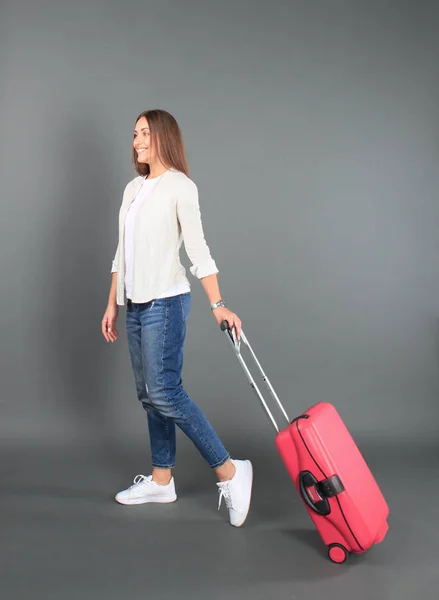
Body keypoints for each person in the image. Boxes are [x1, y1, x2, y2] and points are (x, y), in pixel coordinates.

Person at [101, 109, 253, 527]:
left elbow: (198, 250)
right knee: (148, 395)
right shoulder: (133, 188)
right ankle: (161, 480)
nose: (136, 141)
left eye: (145, 133)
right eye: (134, 134)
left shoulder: (181, 187)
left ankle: (231, 471)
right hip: (134, 304)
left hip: (166, 303)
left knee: (165, 391)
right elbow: (122, 252)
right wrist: (113, 301)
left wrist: (217, 303)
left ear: (164, 136)